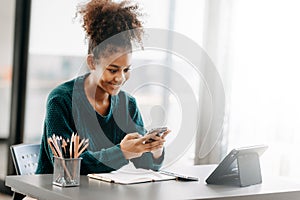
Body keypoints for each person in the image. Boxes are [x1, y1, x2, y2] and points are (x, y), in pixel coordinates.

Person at [36, 0, 170, 175]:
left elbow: (145, 164)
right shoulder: (61, 100)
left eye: (126, 70)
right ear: (92, 62)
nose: (120, 78)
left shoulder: (127, 104)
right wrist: (123, 152)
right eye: (113, 70)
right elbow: (67, 166)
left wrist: (154, 148)